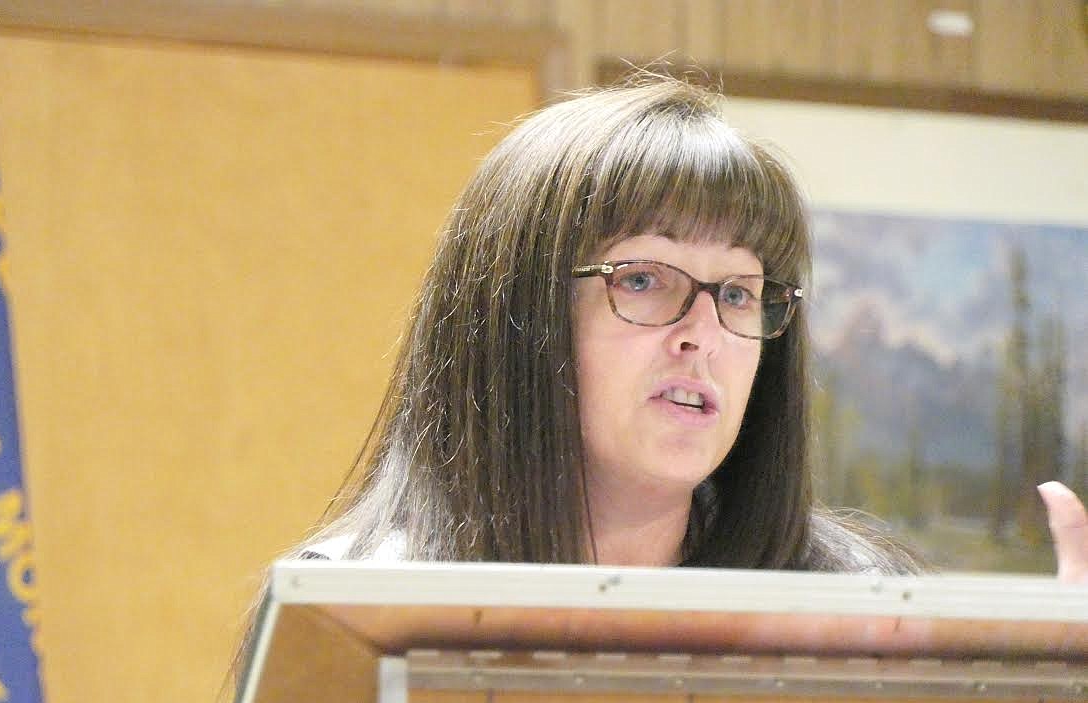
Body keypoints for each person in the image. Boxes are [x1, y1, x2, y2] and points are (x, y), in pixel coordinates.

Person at [287, 76, 1087, 580]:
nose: (702, 333)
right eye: (643, 279)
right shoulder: (355, 606)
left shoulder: (863, 606)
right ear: (513, 316)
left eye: (739, 294)